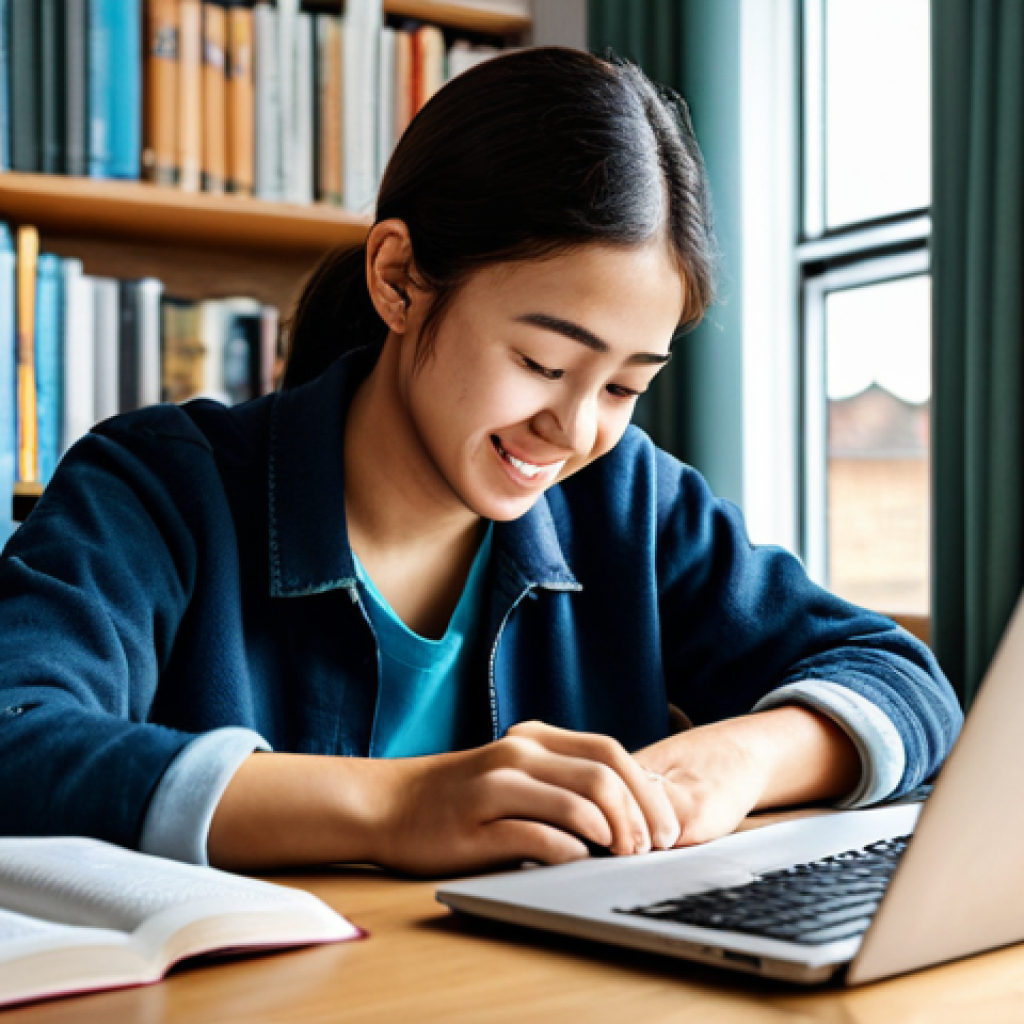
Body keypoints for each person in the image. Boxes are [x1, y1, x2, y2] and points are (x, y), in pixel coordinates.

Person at [0, 48, 961, 877]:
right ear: (399, 280)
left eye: (625, 386)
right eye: (542, 362)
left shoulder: (625, 500)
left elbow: (900, 679)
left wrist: (733, 761)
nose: (575, 430)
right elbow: (17, 738)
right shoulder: (158, 488)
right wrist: (395, 809)